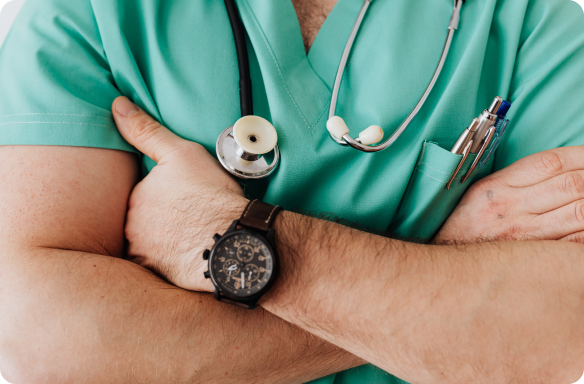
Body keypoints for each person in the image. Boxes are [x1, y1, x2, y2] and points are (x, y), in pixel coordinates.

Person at [0, 0, 583, 383]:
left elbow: (566, 333)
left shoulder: (540, 16)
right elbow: (38, 339)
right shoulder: (87, 13)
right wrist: (434, 256)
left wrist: (219, 237)